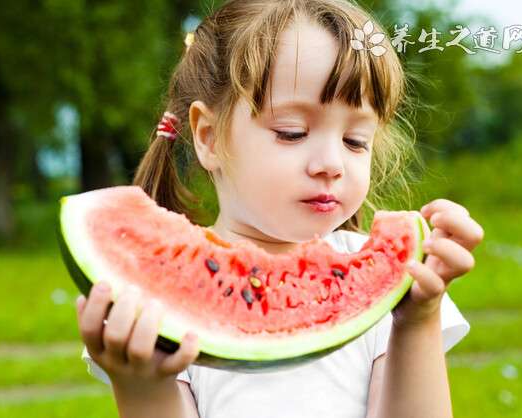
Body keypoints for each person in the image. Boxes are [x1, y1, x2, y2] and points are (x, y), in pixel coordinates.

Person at [76, 0, 485, 417]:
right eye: (292, 132)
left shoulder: (395, 294)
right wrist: (144, 386)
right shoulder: (153, 299)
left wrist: (417, 321)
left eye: (356, 140)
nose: (331, 163)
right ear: (210, 137)